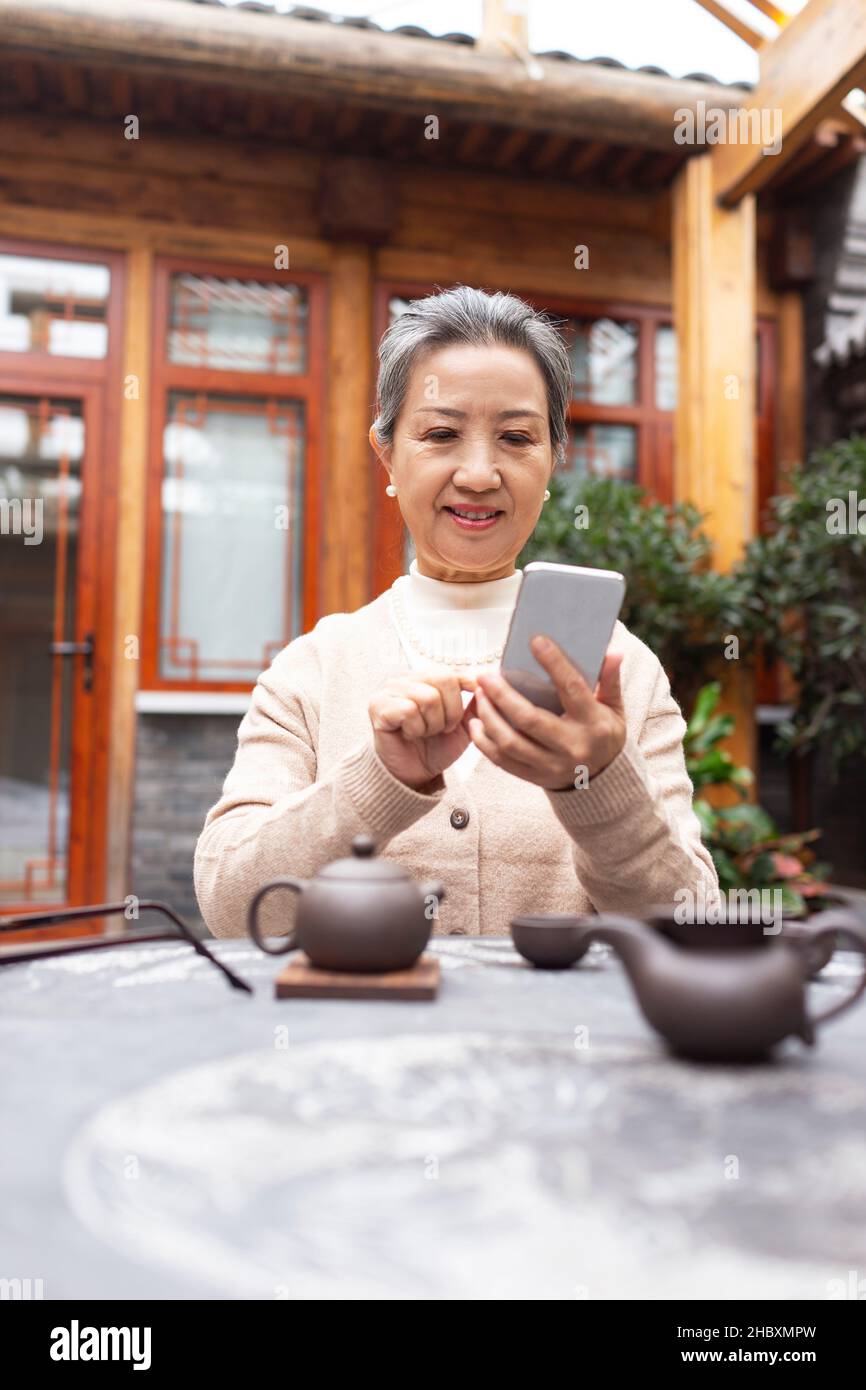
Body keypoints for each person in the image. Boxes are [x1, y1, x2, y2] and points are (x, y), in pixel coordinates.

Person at [194, 285, 719, 940]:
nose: (478, 473)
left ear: (554, 458)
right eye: (441, 433)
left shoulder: (621, 675)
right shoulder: (314, 671)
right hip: (352, 1043)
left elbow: (695, 924)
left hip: (560, 1046)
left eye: (516, 437)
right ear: (387, 455)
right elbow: (233, 911)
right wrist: (380, 780)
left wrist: (599, 782)